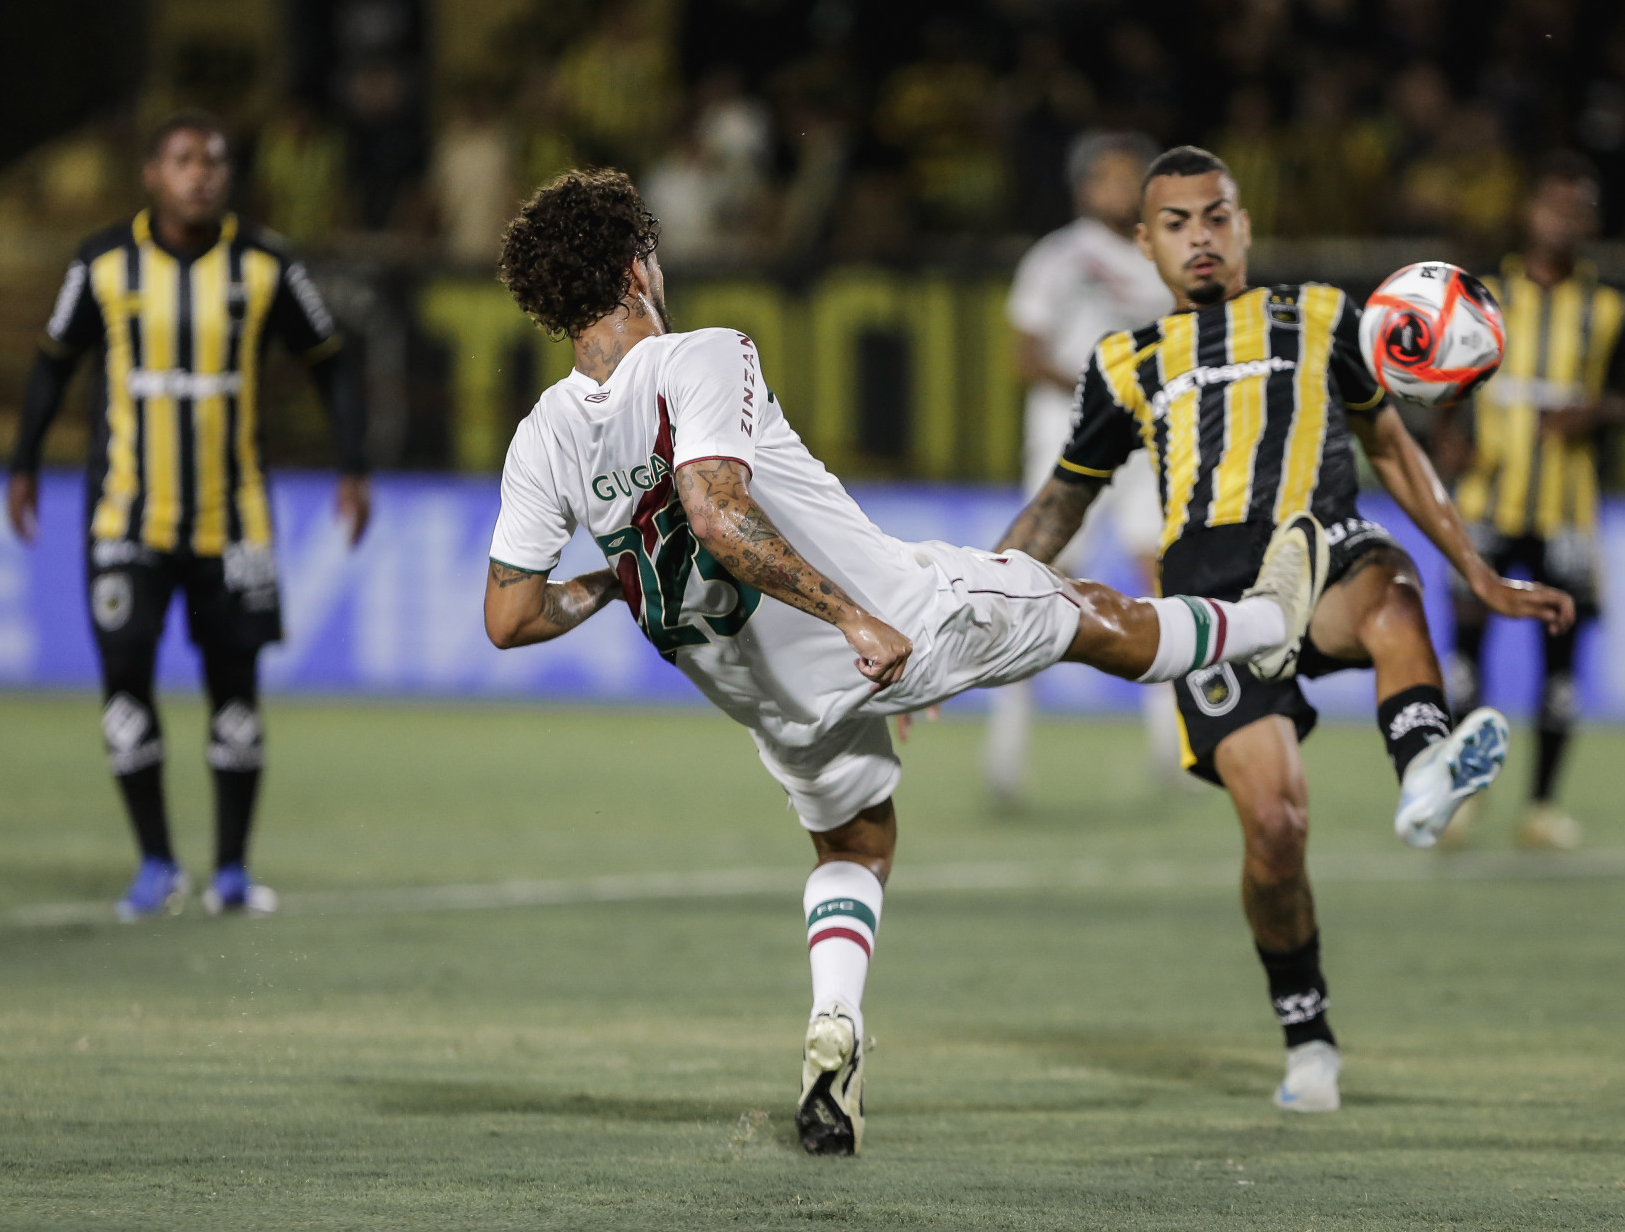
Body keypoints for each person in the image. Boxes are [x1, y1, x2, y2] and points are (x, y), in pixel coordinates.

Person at [485, 167, 1333, 1157]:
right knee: (1084, 607)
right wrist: (854, 618)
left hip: (771, 702)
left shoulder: (540, 437)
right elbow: (716, 510)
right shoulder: (699, 354)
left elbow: (510, 616)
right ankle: (1268, 624)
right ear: (638, 267)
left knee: (857, 844)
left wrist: (618, 582)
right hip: (893, 618)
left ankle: (833, 1022)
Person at [996, 147, 1575, 1115]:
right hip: (1214, 603)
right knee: (1276, 829)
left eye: (1216, 216)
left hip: (1320, 548)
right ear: (1145, 244)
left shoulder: (1321, 316)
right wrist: (961, 615)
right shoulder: (1123, 363)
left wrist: (1474, 565)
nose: (1201, 238)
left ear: (1246, 224)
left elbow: (1391, 443)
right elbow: (1057, 509)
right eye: (1176, 224)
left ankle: (1426, 764)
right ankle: (1308, 1034)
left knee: (1390, 584)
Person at [6, 111, 372, 922]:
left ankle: (233, 871)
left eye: (214, 161)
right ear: (151, 174)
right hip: (125, 519)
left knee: (235, 695)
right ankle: (156, 865)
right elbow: (51, 363)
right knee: (126, 686)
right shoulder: (102, 262)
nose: (202, 173)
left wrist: (352, 464)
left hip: (234, 519)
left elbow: (331, 362)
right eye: (183, 160)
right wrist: (23, 462)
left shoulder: (267, 262)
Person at [1443, 153, 1625, 850]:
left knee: (1561, 665)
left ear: (1591, 220)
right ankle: (1465, 797)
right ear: (1528, 213)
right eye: (1552, 204)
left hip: (1567, 511)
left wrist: (1594, 412)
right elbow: (1437, 377)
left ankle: (1541, 804)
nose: (1564, 218)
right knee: (1467, 651)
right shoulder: (1483, 293)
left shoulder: (1614, 307)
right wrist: (1446, 440)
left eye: (1578, 207)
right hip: (1483, 501)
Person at [989, 130, 1179, 806]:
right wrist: (1099, 387)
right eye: (1110, 176)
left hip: (1146, 441)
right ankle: (1006, 752)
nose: (1123, 186)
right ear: (1083, 187)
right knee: (1041, 582)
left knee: (1156, 573)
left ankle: (1173, 749)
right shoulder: (1059, 257)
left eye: (1133, 175)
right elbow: (1024, 355)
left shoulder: (1163, 257)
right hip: (1069, 438)